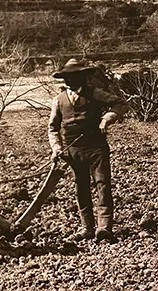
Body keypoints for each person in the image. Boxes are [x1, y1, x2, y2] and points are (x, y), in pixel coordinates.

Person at [48, 59, 128, 242]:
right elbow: (53, 128)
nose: (68, 81)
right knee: (80, 189)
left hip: (96, 148)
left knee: (103, 185)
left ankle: (104, 228)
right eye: (66, 77)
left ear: (82, 77)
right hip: (72, 151)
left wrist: (107, 119)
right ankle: (87, 228)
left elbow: (120, 103)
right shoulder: (58, 101)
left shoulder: (95, 93)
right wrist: (57, 148)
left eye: (73, 76)